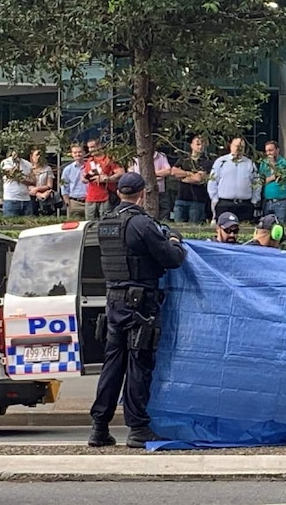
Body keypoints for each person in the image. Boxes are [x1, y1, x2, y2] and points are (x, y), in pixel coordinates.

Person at [89, 172, 185, 449]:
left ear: (119, 193)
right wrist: (175, 240)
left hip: (114, 301)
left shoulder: (104, 223)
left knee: (112, 364)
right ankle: (138, 428)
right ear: (142, 193)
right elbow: (172, 259)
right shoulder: (142, 224)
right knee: (139, 363)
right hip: (140, 303)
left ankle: (99, 427)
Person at [207, 136, 261, 223]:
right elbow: (212, 181)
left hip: (245, 205)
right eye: (237, 146)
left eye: (241, 147)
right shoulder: (221, 162)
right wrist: (215, 199)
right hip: (224, 204)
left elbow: (257, 183)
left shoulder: (250, 163)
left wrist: (254, 200)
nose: (239, 149)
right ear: (231, 146)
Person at [82, 138, 124, 220]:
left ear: (100, 146)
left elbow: (121, 173)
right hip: (91, 197)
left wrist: (106, 179)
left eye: (93, 147)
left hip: (106, 197)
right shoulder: (90, 161)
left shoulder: (109, 159)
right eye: (89, 148)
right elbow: (84, 175)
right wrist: (84, 178)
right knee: (89, 223)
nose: (91, 150)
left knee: (106, 222)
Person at [257, 140, 286, 225]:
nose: (269, 153)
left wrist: (272, 164)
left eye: (271, 150)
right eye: (267, 151)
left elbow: (282, 177)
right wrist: (272, 177)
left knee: (280, 227)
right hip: (267, 201)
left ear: (277, 150)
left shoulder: (285, 162)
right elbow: (261, 181)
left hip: (281, 202)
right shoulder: (264, 163)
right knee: (266, 227)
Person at [0, 149, 35, 217]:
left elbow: (33, 181)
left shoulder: (28, 164)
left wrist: (20, 178)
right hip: (11, 200)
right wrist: (25, 179)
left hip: (26, 200)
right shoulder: (6, 162)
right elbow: (12, 174)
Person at [60, 144, 88, 219]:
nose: (77, 154)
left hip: (89, 202)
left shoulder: (90, 166)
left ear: (84, 153)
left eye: (80, 152)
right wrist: (67, 203)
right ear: (72, 154)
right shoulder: (67, 169)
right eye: (75, 152)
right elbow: (64, 186)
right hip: (74, 202)